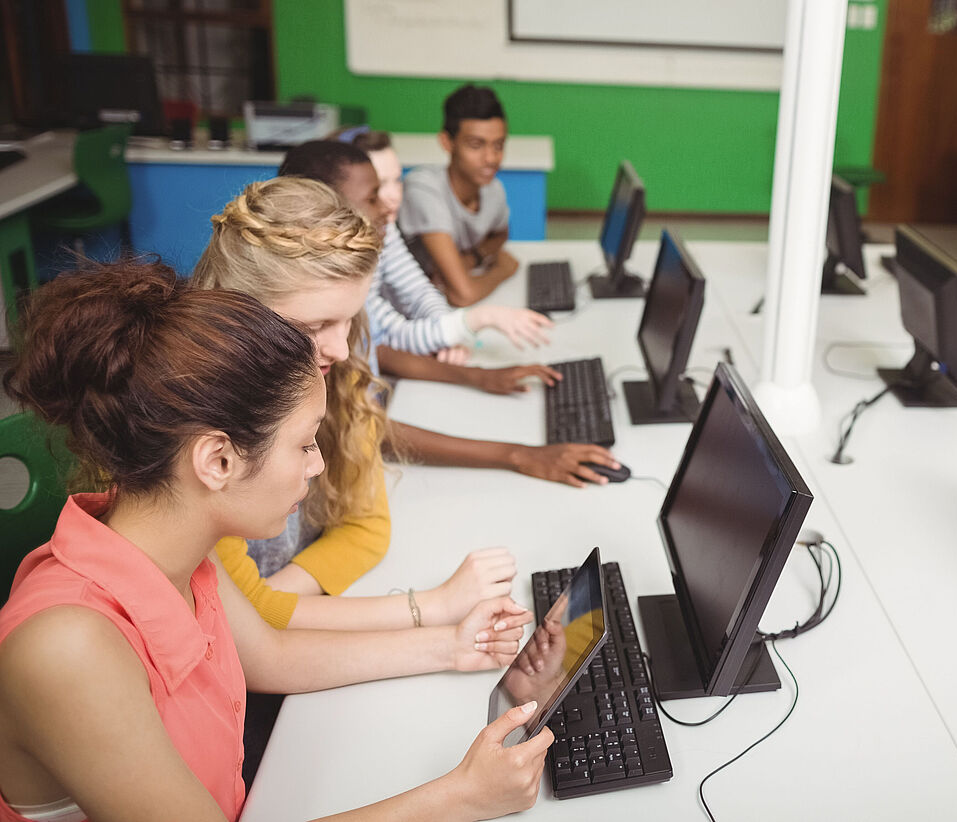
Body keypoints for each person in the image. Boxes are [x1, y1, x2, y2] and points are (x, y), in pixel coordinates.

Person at [0, 260, 548, 821]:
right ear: (218, 460)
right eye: (305, 444)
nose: (318, 465)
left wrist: (452, 645)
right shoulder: (69, 647)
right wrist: (462, 797)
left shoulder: (177, 543)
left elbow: (268, 656)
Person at [191, 178, 522, 629]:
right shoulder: (188, 423)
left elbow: (366, 530)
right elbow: (244, 623)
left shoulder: (334, 374)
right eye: (315, 327)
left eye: (348, 320)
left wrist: (271, 601)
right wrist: (433, 608)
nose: (342, 349)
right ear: (238, 312)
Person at [273, 149, 623, 487]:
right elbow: (363, 429)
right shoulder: (303, 310)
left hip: (377, 417)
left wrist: (476, 376)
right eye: (374, 196)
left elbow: (374, 347)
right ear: (323, 208)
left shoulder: (350, 281)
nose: (390, 205)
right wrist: (517, 455)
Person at [282, 138, 553, 382]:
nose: (390, 201)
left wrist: (449, 333)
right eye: (375, 194)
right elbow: (390, 334)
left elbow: (417, 291)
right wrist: (474, 322)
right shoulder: (327, 278)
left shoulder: (380, 227)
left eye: (396, 180)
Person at [399, 84, 517, 307]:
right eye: (476, 145)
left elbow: (501, 233)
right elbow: (462, 295)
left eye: (498, 145)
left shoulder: (494, 189)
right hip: (403, 314)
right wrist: (503, 269)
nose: (491, 158)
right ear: (447, 142)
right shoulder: (424, 188)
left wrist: (474, 258)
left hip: (440, 304)